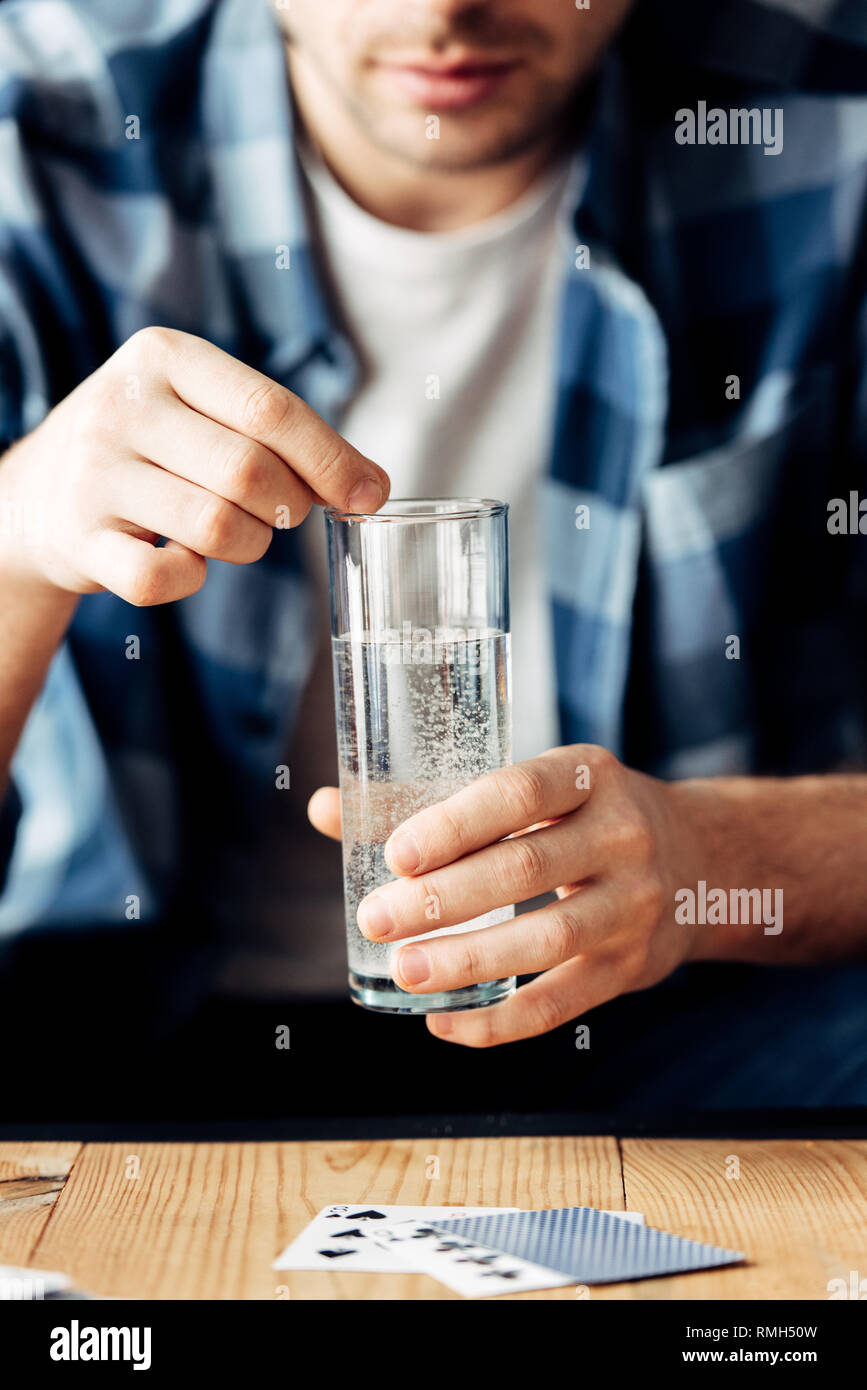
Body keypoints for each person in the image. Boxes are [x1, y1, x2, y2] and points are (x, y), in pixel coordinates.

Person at [1, 0, 866, 1124]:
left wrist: (710, 860)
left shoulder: (826, 122)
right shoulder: (40, 142)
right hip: (129, 1034)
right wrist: (16, 540)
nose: (446, 9)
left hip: (666, 1025)